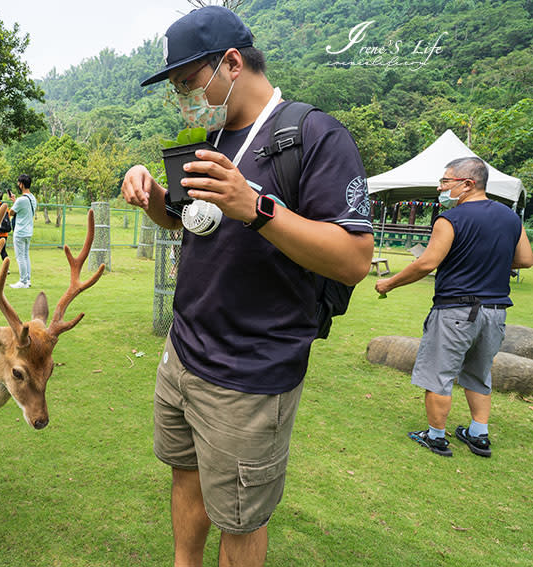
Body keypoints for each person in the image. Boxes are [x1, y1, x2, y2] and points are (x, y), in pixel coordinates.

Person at [120, 7, 373, 566]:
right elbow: (190, 222)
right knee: (185, 476)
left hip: (248, 375)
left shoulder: (314, 136)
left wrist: (256, 208)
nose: (184, 97)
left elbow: (356, 259)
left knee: (239, 516)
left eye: (189, 82)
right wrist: (152, 197)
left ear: (232, 63)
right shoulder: (208, 138)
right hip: (183, 353)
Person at [376, 157, 533, 458]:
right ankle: (479, 435)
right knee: (479, 373)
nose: (441, 187)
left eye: (446, 181)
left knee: (438, 373)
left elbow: (428, 262)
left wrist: (389, 283)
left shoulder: (451, 219)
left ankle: (435, 437)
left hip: (455, 311)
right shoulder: (511, 218)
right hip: (496, 312)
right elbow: (525, 259)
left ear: (468, 184)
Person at [8, 173, 37, 289]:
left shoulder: (21, 200)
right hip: (29, 231)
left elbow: (11, 212)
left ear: (21, 184)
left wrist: (14, 201)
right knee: (26, 256)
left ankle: (23, 281)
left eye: (18, 183)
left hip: (20, 231)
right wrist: (15, 200)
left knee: (20, 257)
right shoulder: (33, 198)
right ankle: (28, 280)